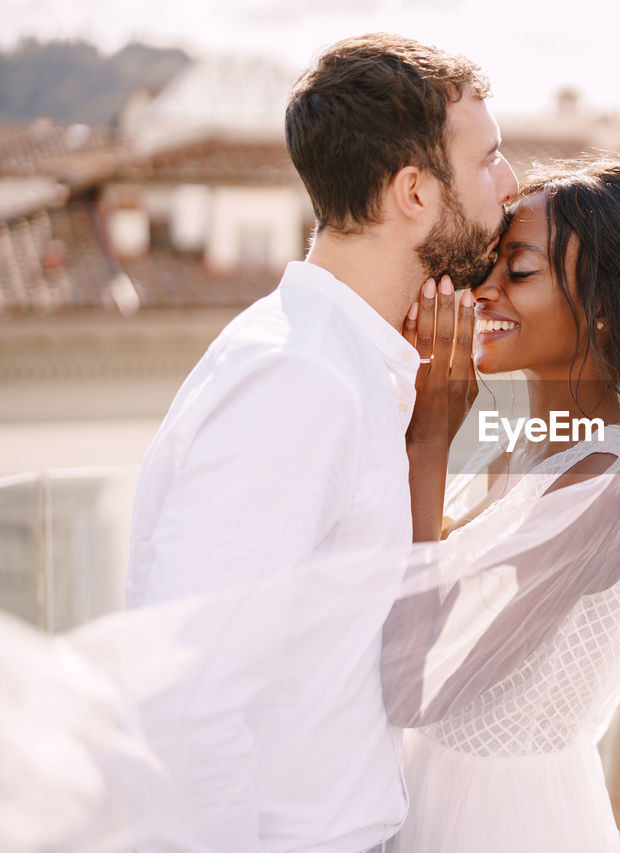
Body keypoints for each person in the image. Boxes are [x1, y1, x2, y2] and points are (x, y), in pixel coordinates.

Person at [122, 33, 517, 851]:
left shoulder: (348, 366)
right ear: (415, 191)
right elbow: (185, 697)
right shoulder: (299, 381)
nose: (509, 187)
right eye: (489, 161)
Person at [380, 161, 620, 852]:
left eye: (520, 271)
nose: (485, 291)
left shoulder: (605, 482)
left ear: (605, 305)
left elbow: (413, 683)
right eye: (488, 266)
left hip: (506, 823)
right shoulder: (534, 447)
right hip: (443, 793)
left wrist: (430, 441)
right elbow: (420, 569)